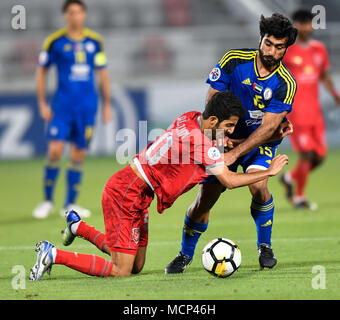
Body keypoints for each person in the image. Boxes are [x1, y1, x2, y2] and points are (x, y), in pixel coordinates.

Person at [29, 92, 289, 280]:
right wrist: (269, 171)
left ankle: (78, 226)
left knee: (136, 265)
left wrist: (250, 139)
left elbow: (211, 145)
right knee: (121, 270)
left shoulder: (190, 118)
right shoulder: (201, 143)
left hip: (140, 194)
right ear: (212, 122)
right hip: (126, 192)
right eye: (229, 126)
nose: (230, 132)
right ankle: (53, 255)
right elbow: (229, 180)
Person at [165, 13, 297, 274]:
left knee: (259, 185)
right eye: (268, 43)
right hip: (222, 138)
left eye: (279, 47)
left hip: (258, 143)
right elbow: (212, 101)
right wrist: (218, 140)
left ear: (286, 48)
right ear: (261, 38)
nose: (271, 51)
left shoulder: (286, 83)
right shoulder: (234, 60)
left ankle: (265, 247)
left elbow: (270, 127)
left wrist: (236, 150)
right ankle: (185, 254)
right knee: (206, 198)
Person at [33, 0, 112, 219]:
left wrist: (106, 104)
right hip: (62, 107)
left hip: (87, 107)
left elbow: (102, 74)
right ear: (65, 16)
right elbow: (41, 72)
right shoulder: (55, 42)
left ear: (84, 15)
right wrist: (42, 102)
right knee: (55, 151)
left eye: (78, 12)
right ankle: (47, 201)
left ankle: (70, 204)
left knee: (78, 155)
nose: (74, 16)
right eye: (70, 12)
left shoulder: (95, 42)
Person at [280, 8, 340, 210]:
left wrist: (335, 95)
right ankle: (299, 197)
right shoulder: (286, 50)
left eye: (309, 22)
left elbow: (323, 74)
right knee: (306, 154)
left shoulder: (318, 49)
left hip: (315, 112)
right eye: (301, 22)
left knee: (320, 157)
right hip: (296, 112)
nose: (306, 26)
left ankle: (289, 177)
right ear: (294, 25)